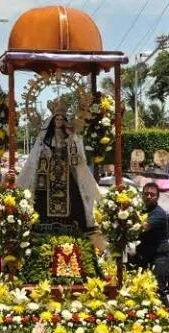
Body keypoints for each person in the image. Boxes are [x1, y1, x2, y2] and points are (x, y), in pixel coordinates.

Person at [15, 98, 101, 234]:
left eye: (62, 119)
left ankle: (74, 227)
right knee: (42, 200)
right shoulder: (45, 137)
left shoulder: (70, 136)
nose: (59, 122)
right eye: (57, 119)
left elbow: (78, 158)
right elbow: (36, 156)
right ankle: (42, 229)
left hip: (66, 174)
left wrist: (72, 138)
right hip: (49, 175)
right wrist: (45, 154)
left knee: (74, 198)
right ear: (53, 120)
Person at [137, 183, 169, 307]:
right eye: (146, 194)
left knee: (158, 289)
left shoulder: (159, 213)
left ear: (157, 197)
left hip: (159, 257)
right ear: (142, 196)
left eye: (152, 194)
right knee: (140, 287)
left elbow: (143, 227)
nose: (149, 196)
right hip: (144, 254)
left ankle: (165, 320)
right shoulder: (141, 210)